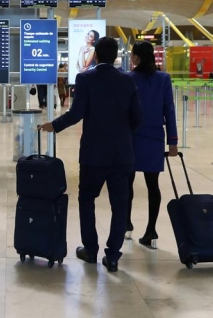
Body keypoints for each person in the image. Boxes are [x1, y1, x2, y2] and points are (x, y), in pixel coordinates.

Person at [39, 37, 143, 272]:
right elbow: (138, 118)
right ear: (116, 56)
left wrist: (53, 125)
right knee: (120, 205)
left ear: (95, 55)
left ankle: (91, 249)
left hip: (94, 154)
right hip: (122, 155)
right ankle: (113, 255)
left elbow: (76, 114)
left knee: (87, 199)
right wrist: (123, 135)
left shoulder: (85, 79)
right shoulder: (128, 81)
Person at [126, 41, 178, 250]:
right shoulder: (163, 79)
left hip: (131, 137)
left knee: (126, 182)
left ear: (137, 58)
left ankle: (126, 223)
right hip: (155, 137)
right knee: (152, 185)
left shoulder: (128, 78)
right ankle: (151, 230)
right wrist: (172, 141)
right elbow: (169, 110)